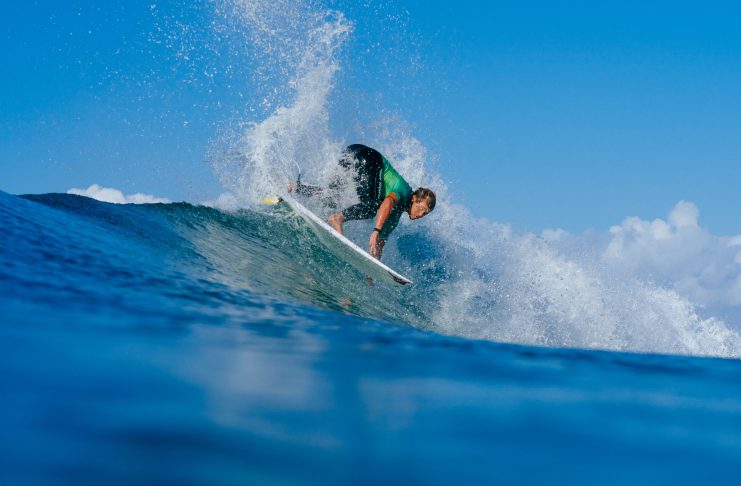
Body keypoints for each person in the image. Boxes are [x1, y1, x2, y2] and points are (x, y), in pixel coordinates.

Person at [289, 144, 436, 259]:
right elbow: (387, 203)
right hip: (368, 157)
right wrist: (375, 231)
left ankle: (295, 187)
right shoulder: (404, 191)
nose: (421, 215)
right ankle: (337, 218)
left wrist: (372, 271)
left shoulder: (396, 216)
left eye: (425, 214)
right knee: (372, 207)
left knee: (332, 198)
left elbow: (380, 242)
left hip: (352, 153)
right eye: (422, 209)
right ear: (415, 199)